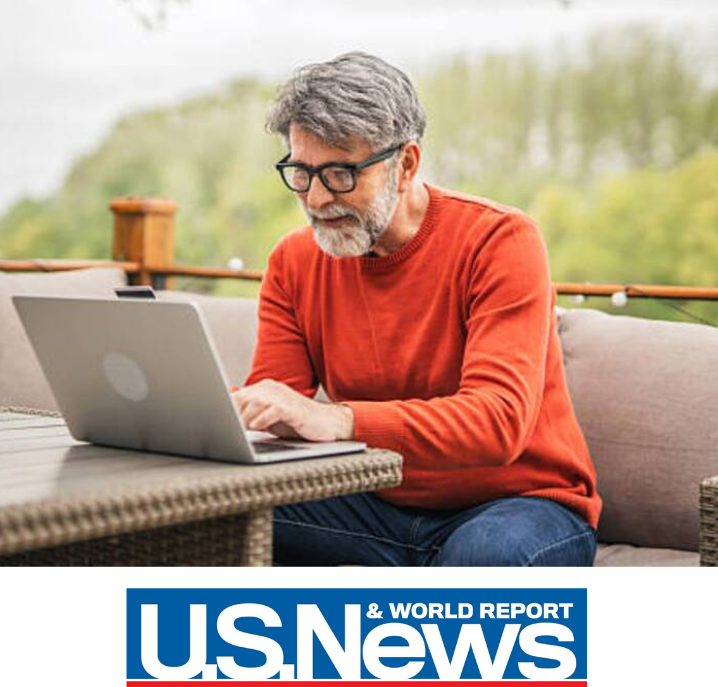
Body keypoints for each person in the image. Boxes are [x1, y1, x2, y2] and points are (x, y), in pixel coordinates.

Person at [231, 51, 601, 566]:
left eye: (339, 174)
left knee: (485, 559)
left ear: (404, 164)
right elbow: (276, 408)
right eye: (301, 172)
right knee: (218, 517)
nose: (315, 199)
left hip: (519, 505)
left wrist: (340, 421)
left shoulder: (500, 240)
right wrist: (219, 410)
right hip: (373, 505)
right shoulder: (293, 262)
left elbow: (497, 421)